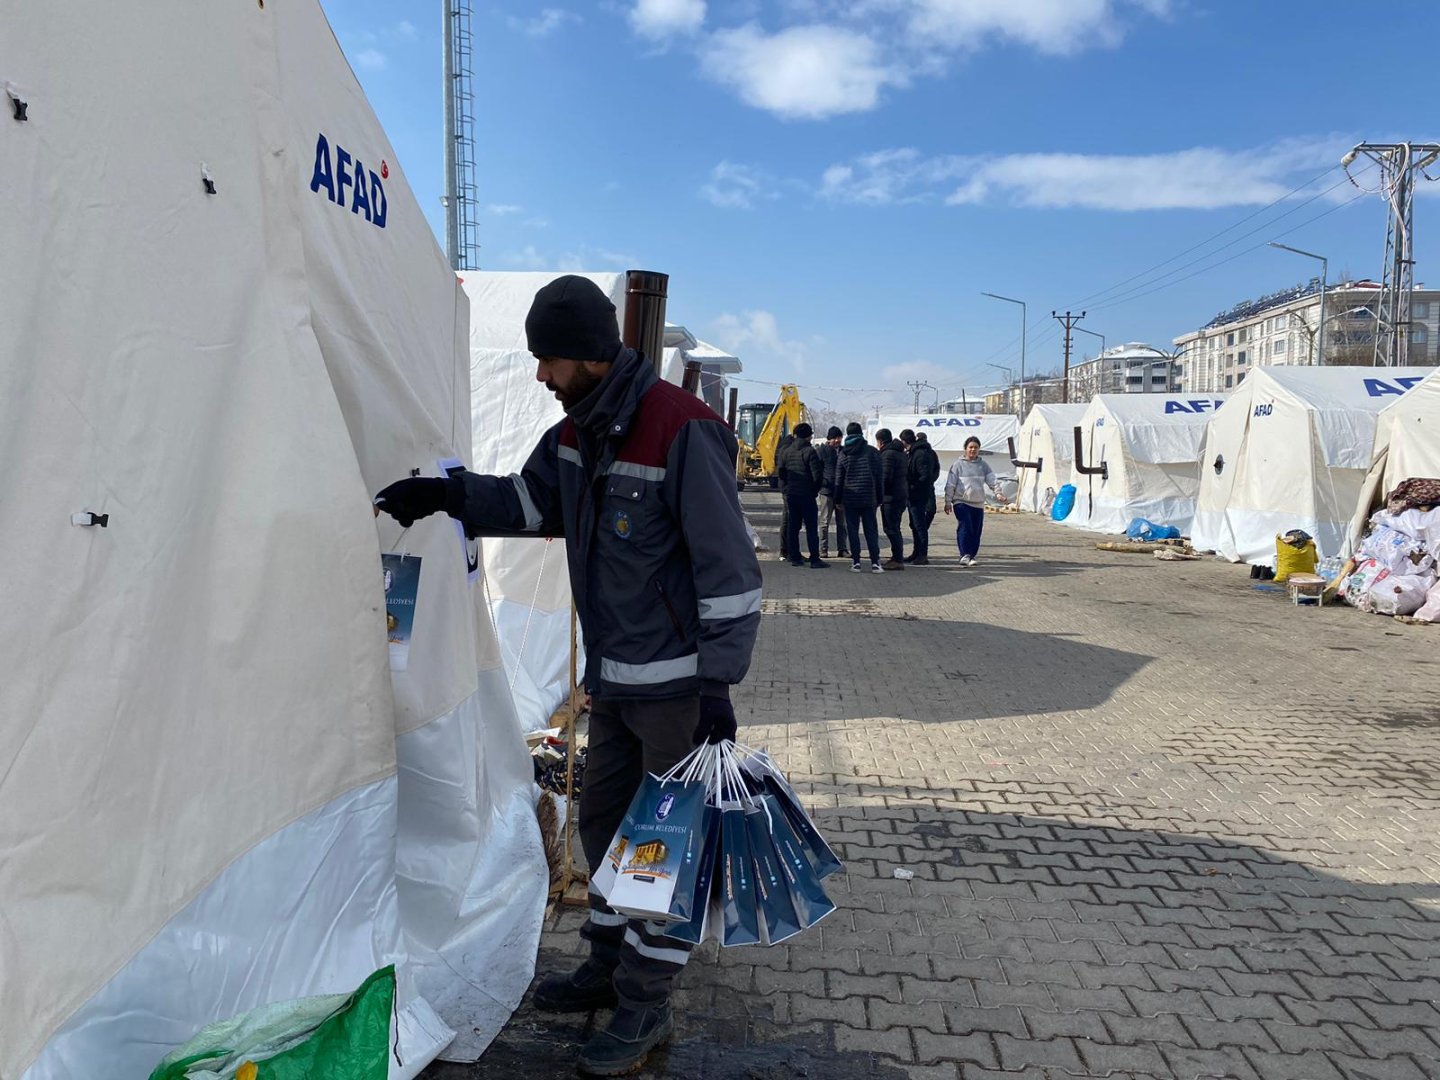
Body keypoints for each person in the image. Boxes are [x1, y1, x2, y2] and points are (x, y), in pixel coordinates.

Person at [372, 276, 761, 1076]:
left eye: (549, 360)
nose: (541, 375)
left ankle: (645, 1005)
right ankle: (608, 966)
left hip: (678, 695)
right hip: (613, 686)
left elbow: (730, 570)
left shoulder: (681, 429)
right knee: (606, 830)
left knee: (659, 852)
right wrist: (445, 495)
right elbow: (529, 501)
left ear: (589, 354)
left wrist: (717, 686)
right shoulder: (577, 432)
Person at [943, 434, 1007, 565]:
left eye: (976, 447)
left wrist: (998, 493)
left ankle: (971, 555)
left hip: (977, 503)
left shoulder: (983, 465)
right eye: (970, 447)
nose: (973, 450)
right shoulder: (957, 465)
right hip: (961, 501)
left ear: (979, 449)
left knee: (976, 530)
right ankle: (964, 554)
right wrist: (948, 502)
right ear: (965, 449)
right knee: (965, 526)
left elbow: (992, 480)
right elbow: (950, 484)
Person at [775, 422, 827, 568]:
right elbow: (817, 476)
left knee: (793, 527)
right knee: (811, 528)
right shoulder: (810, 452)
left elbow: (781, 473)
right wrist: (814, 491)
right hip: (807, 495)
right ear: (808, 436)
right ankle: (814, 559)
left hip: (791, 495)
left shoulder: (786, 452)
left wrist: (787, 489)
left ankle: (794, 557)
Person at [835, 421, 884, 573]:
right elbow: (879, 477)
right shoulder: (872, 452)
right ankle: (875, 563)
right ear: (861, 435)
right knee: (871, 531)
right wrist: (880, 498)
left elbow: (839, 479)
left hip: (850, 499)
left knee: (853, 531)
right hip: (869, 498)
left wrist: (837, 500)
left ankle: (856, 562)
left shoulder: (844, 453)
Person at [900, 429, 940, 565]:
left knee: (920, 526)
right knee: (915, 525)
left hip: (918, 495)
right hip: (915, 494)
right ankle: (916, 552)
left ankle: (922, 554)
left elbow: (925, 475)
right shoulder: (916, 452)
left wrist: (913, 487)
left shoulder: (920, 454)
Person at [875, 428, 908, 570]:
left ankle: (897, 559)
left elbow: (885, 478)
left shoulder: (888, 454)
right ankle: (896, 557)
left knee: (891, 528)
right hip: (901, 495)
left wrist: (878, 494)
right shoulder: (901, 453)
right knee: (895, 527)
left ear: (880, 441)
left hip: (891, 497)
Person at [816, 426, 847, 559]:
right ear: (829, 439)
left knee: (842, 523)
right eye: (835, 438)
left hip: (841, 492)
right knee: (824, 522)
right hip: (826, 492)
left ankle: (843, 549)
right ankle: (823, 549)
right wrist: (823, 482)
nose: (837, 440)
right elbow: (816, 470)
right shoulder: (821, 451)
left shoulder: (844, 451)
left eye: (839, 438)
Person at [774, 430, 795, 561]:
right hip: (789, 489)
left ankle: (785, 551)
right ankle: (787, 551)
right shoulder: (789, 450)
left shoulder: (782, 448)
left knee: (787, 518)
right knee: (789, 519)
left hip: (785, 488)